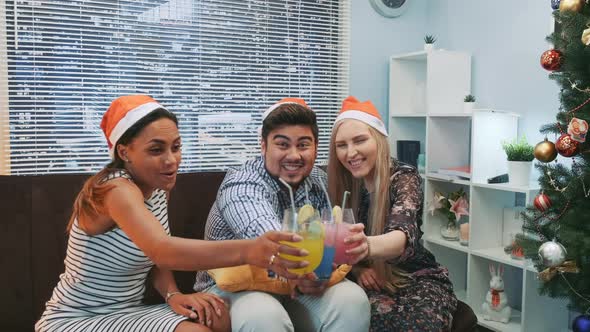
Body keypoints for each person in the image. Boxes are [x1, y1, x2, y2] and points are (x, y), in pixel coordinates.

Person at [35, 95, 307, 332]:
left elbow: (153, 256)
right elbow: (162, 250)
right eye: (156, 150)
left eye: (175, 147)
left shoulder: (155, 185)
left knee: (219, 318)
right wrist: (250, 250)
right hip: (76, 319)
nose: (170, 160)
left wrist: (173, 294)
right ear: (124, 151)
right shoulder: (115, 189)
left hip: (129, 311)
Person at [194, 98, 371, 332]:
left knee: (352, 299)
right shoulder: (241, 183)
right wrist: (307, 269)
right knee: (264, 315)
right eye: (283, 144)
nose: (294, 155)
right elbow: (270, 239)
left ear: (316, 148)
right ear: (264, 146)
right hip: (232, 285)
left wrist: (345, 258)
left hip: (298, 281)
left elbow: (329, 236)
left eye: (303, 145)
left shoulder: (318, 180)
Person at [327, 96, 457, 331]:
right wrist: (357, 268)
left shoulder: (405, 178)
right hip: (368, 279)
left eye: (360, 140)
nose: (351, 153)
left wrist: (363, 246)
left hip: (414, 277)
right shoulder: (342, 182)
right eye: (342, 145)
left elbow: (400, 236)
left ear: (379, 139)